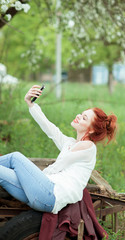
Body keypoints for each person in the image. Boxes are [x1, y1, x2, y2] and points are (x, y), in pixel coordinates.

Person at [0, 85, 117, 214]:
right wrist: (31, 104)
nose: (78, 116)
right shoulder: (71, 143)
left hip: (50, 194)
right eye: (81, 114)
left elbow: (58, 165)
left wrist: (36, 176)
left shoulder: (88, 147)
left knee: (15, 157)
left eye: (84, 118)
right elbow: (50, 129)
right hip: (38, 195)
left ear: (92, 129)